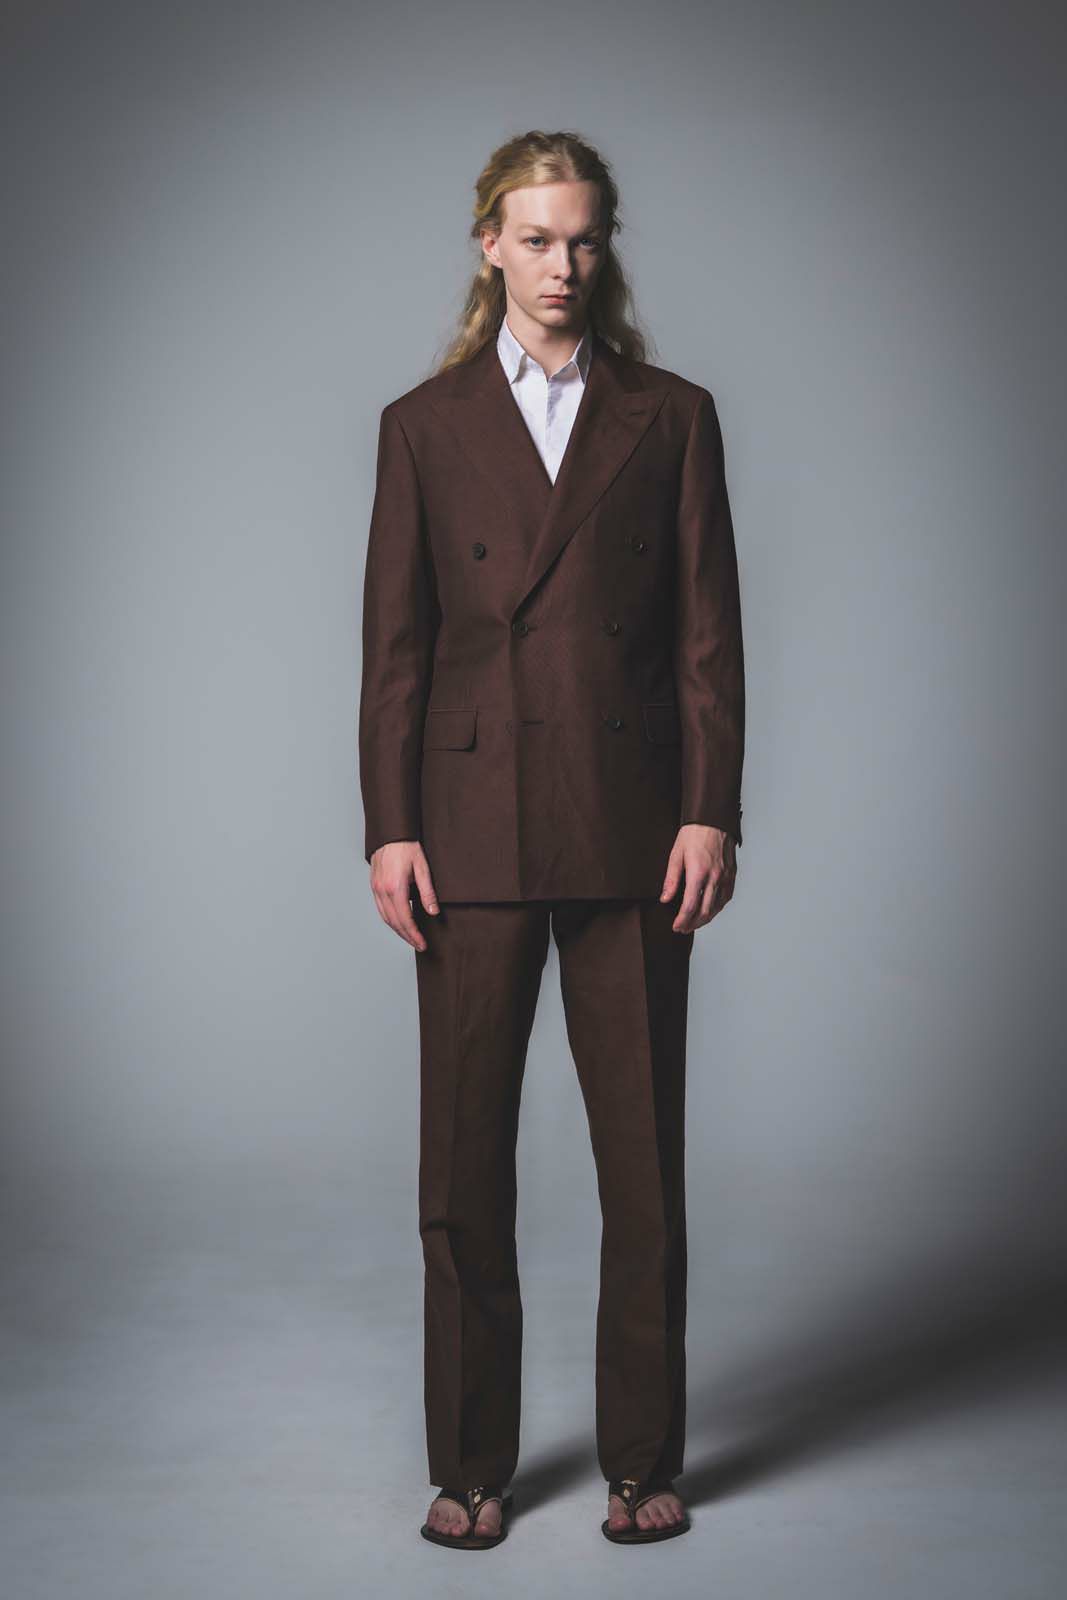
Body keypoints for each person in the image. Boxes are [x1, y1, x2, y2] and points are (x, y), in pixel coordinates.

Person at [358, 128, 745, 1549]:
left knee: (642, 1173)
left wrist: (711, 806)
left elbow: (708, 634)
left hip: (635, 825)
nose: (562, 266)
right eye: (535, 239)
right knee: (462, 1175)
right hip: (468, 834)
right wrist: (390, 827)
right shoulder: (423, 424)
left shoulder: (674, 415)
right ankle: (471, 1464)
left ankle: (643, 1460)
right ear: (490, 246)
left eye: (582, 239)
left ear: (605, 247)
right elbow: (396, 651)